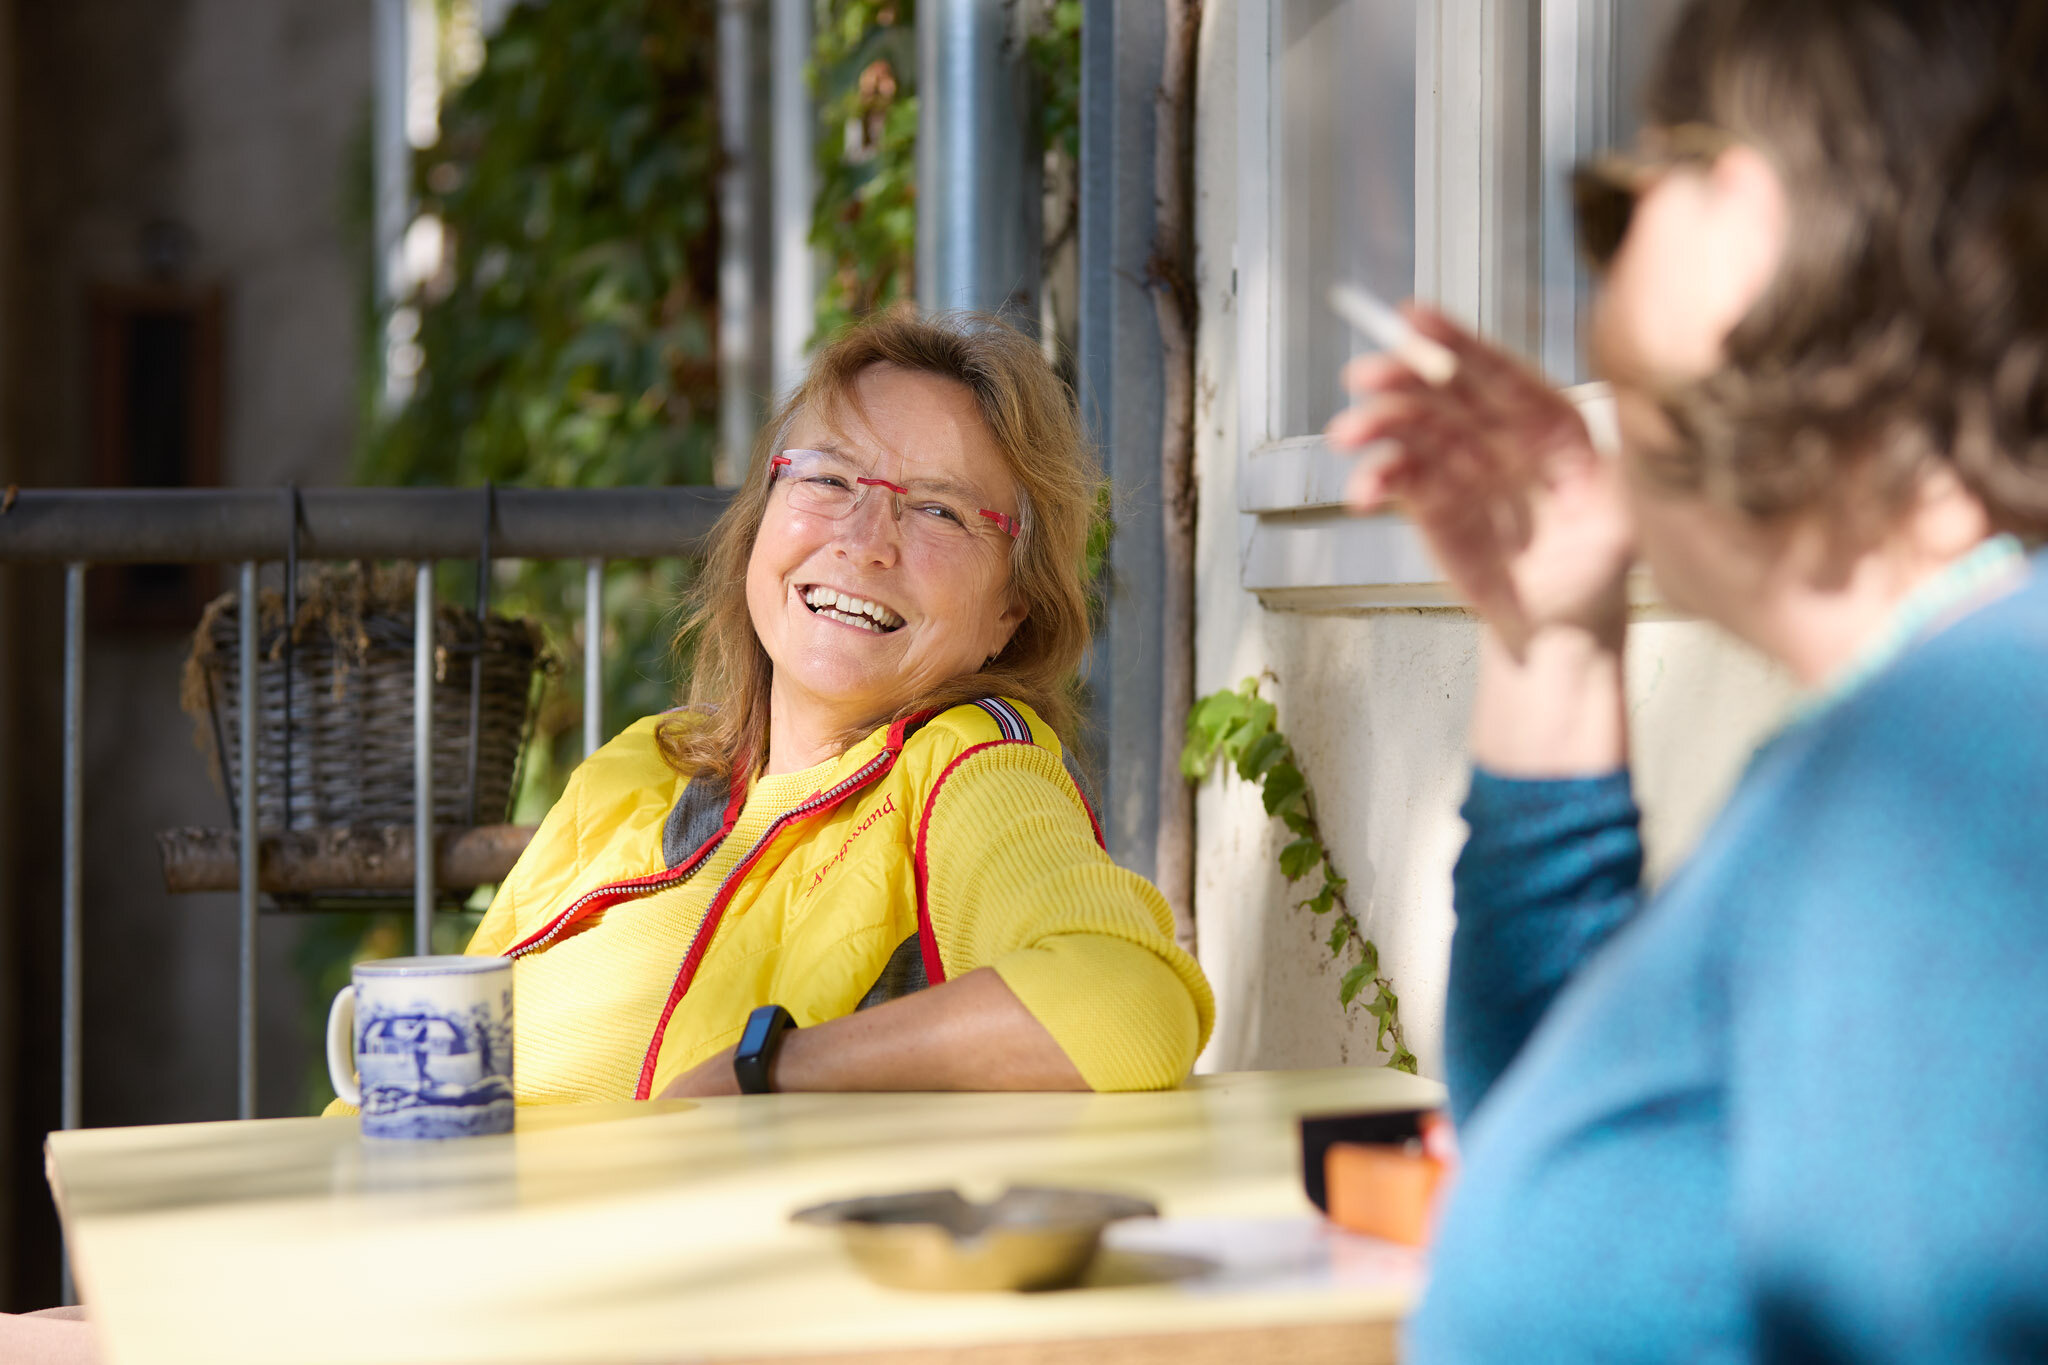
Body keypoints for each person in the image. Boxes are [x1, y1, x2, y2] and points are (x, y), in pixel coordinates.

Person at [1326, 0, 2048, 1359]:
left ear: (1768, 215)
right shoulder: (1944, 715)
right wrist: (1553, 643)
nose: (1599, 248)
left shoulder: (1963, 775)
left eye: (1638, 181)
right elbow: (1600, 1148)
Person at [457, 309, 1210, 1103]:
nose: (865, 539)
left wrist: (769, 1067)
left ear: (1009, 612)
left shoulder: (963, 770)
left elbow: (1126, 1003)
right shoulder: (639, 767)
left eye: (939, 510)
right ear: (761, 518)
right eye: (829, 478)